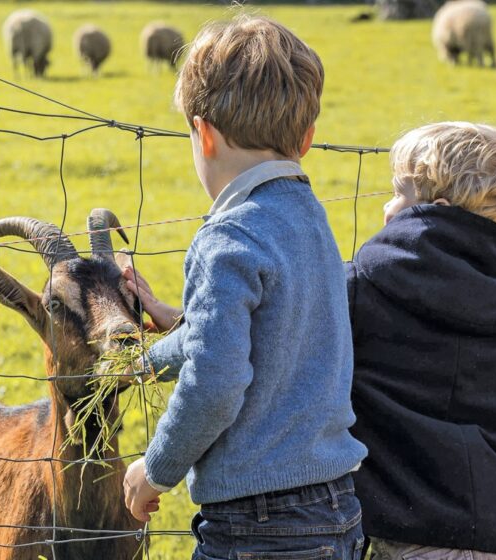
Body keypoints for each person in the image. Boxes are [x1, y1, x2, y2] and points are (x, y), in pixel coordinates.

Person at [121, 14, 368, 559]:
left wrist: (154, 470)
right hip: (337, 507)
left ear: (203, 133)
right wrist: (144, 361)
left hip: (258, 527)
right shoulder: (308, 219)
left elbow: (217, 380)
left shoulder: (227, 236)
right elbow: (236, 338)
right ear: (306, 139)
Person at [347, 122, 496, 560]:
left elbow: (291, 332)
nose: (387, 206)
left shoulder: (360, 288)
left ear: (433, 210)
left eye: (399, 193)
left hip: (401, 530)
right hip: (492, 534)